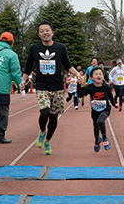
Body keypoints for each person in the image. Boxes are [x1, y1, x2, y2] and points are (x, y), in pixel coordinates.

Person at [20, 21, 83, 155]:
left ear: (52, 33)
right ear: (39, 35)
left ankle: (48, 141)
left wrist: (78, 75)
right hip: (42, 86)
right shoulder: (34, 48)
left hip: (58, 87)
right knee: (45, 112)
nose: (45, 33)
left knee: (54, 117)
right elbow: (28, 66)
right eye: (42, 31)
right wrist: (23, 80)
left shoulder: (61, 48)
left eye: (47, 30)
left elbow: (68, 65)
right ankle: (42, 132)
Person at [78, 67, 118, 152]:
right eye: (96, 74)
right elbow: (80, 94)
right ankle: (97, 140)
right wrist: (79, 85)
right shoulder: (90, 87)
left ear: (103, 77)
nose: (98, 75)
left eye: (100, 74)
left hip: (105, 109)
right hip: (95, 110)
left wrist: (114, 104)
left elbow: (110, 96)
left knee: (101, 121)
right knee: (96, 127)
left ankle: (104, 138)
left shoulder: (106, 87)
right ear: (91, 78)